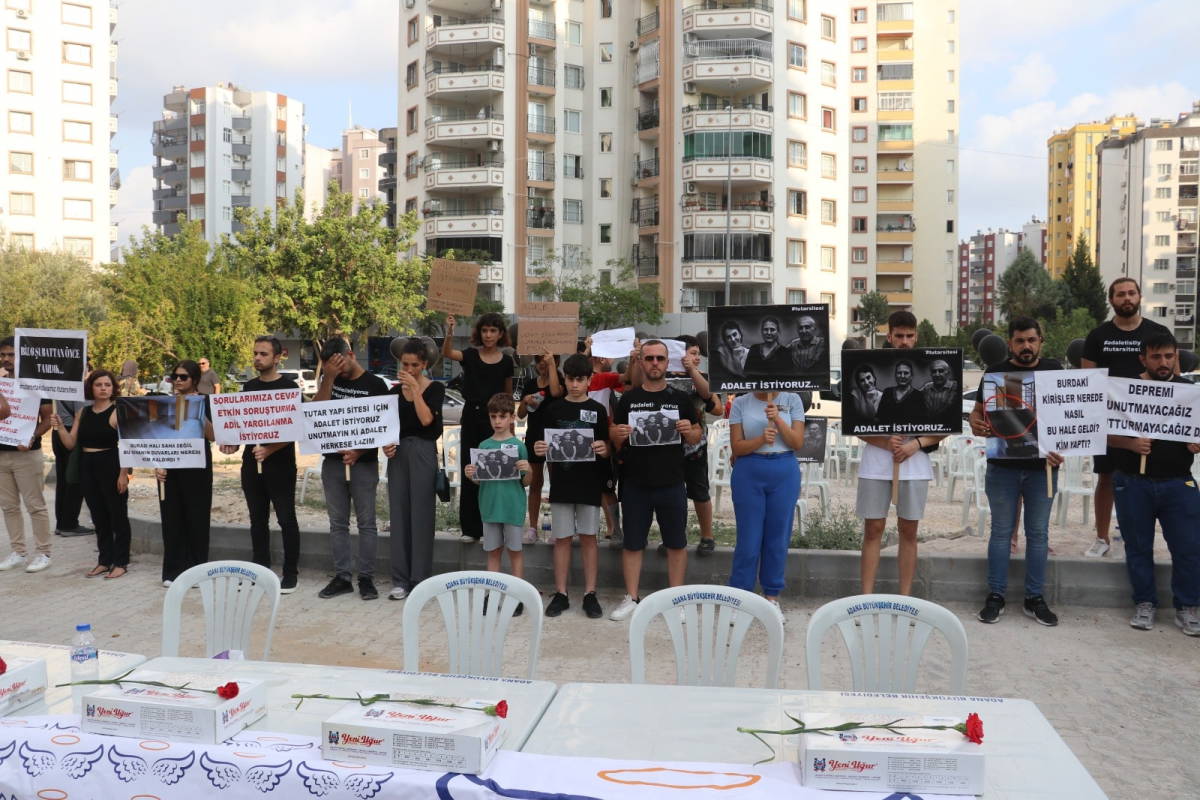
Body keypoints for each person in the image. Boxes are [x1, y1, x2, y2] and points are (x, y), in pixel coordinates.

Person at [969, 318, 1063, 627]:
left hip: (1042, 469)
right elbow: (979, 411)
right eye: (1020, 340)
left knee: (1038, 534)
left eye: (1032, 340)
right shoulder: (995, 373)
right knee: (1000, 532)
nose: (1026, 346)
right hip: (1003, 467)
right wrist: (975, 423)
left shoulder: (1054, 371)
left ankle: (1034, 598)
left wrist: (1064, 446)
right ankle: (995, 595)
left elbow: (1069, 416)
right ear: (1010, 343)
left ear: (1041, 342)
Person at [1107, 333, 1200, 636]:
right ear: (1143, 359)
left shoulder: (1190, 393)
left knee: (1188, 548)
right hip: (1133, 483)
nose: (1163, 362)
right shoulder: (1125, 390)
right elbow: (1105, 434)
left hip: (1178, 483)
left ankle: (1188, 607)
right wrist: (1131, 444)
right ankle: (1144, 603)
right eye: (1156, 356)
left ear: (1176, 358)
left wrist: (1196, 443)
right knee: (1138, 548)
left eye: (1169, 356)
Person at [609, 340, 702, 621]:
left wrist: (689, 431)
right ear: (641, 361)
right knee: (632, 543)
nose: (654, 363)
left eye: (660, 358)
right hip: (635, 483)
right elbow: (613, 435)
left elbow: (697, 434)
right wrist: (617, 435)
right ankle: (631, 597)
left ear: (667, 362)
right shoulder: (628, 399)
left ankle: (677, 599)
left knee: (676, 543)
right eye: (649, 358)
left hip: (672, 481)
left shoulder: (680, 398)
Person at [1081, 277, 1171, 558]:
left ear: (1140, 296)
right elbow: (1087, 380)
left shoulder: (1158, 331)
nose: (1127, 298)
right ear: (1111, 300)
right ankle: (1102, 536)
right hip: (1110, 420)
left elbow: (1173, 378)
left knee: (1147, 478)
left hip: (1149, 420)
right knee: (1106, 477)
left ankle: (1137, 537)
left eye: (1131, 293)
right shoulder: (1098, 336)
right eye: (1120, 294)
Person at [855, 312, 943, 595]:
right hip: (876, 464)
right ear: (889, 336)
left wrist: (914, 444)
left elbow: (943, 428)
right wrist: (884, 442)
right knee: (873, 529)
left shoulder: (923, 391)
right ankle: (866, 597)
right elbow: (857, 425)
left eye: (909, 336)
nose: (904, 341)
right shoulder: (883, 393)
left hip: (914, 465)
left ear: (916, 337)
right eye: (899, 335)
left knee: (908, 530)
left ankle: (905, 598)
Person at [217, 336, 302, 594]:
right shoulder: (249, 387)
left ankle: (290, 573)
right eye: (255, 353)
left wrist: (271, 448)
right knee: (257, 520)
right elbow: (244, 426)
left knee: (286, 518)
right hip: (251, 463)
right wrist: (231, 444)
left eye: (263, 354)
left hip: (281, 464)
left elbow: (295, 428)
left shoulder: (289, 387)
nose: (257, 358)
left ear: (277, 357)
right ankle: (259, 569)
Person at [532, 353, 610, 618]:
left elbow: (606, 445)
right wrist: (539, 448)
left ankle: (590, 593)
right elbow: (542, 444)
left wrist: (604, 448)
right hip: (562, 483)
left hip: (589, 483)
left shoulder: (598, 410)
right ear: (564, 379)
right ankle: (561, 593)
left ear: (589, 380)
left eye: (580, 379)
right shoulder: (553, 409)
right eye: (570, 379)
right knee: (562, 538)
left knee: (589, 537)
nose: (575, 384)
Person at [313, 338, 390, 600]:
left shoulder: (375, 385)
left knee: (367, 523)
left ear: (351, 355)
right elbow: (316, 413)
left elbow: (383, 426)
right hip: (333, 463)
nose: (338, 370)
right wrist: (328, 378)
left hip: (363, 463)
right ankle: (342, 577)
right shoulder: (330, 380)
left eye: (340, 364)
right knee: (338, 523)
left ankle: (366, 578)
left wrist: (359, 451)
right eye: (331, 366)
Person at [727, 389, 806, 617]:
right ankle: (740, 596)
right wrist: (761, 439)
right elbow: (737, 447)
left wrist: (778, 419)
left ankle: (771, 596)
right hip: (749, 470)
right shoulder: (741, 402)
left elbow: (797, 442)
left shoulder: (792, 399)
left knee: (777, 537)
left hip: (784, 470)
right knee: (748, 538)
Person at [50, 370, 132, 579]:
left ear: (113, 388)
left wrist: (123, 474)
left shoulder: (118, 411)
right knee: (98, 516)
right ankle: (104, 560)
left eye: (107, 384)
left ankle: (121, 562)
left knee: (117, 515)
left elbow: (127, 445)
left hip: (111, 463)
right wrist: (59, 427)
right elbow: (70, 443)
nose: (103, 388)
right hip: (87, 465)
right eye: (98, 385)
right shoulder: (83, 412)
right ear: (91, 388)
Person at [443, 313, 515, 543]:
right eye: (484, 330)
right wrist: (450, 331)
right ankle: (470, 529)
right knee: (470, 470)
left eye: (493, 331)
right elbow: (448, 353)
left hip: (496, 420)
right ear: (479, 333)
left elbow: (508, 395)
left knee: (495, 470)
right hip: (472, 417)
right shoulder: (470, 355)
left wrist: (510, 427)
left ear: (500, 334)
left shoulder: (507, 361)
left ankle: (493, 527)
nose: (488, 335)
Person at [382, 339, 444, 601]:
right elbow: (387, 426)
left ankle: (420, 579)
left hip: (423, 450)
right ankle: (400, 579)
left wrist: (416, 390)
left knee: (421, 515)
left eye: (414, 365)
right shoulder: (394, 392)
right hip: (398, 454)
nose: (409, 369)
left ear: (424, 364)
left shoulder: (435, 388)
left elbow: (427, 420)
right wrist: (386, 444)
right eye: (405, 364)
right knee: (398, 515)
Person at [464, 392, 531, 611]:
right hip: (490, 507)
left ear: (512, 417)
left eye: (502, 416)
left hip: (512, 508)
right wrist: (471, 475)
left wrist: (529, 470)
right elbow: (479, 480)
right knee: (493, 552)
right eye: (493, 416)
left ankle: (517, 596)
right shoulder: (483, 446)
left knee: (515, 552)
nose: (497, 421)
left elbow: (526, 481)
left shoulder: (518, 446)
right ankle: (491, 595)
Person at [156, 360, 216, 586]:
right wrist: (157, 464)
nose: (178, 381)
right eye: (175, 377)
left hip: (197, 466)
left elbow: (213, 436)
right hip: (169, 466)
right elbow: (156, 436)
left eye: (184, 377)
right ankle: (172, 571)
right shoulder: (165, 403)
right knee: (171, 518)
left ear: (195, 380)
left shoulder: (205, 402)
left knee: (197, 518)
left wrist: (198, 412)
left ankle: (197, 571)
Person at [662, 335, 719, 558]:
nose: (697, 358)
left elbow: (715, 406)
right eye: (692, 353)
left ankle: (707, 536)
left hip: (695, 447)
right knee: (671, 494)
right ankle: (674, 536)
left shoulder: (701, 377)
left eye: (697, 354)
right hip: (666, 446)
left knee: (699, 491)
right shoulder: (663, 376)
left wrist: (692, 371)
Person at [0, 336, 52, 573]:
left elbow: (47, 419)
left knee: (35, 506)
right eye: (3, 355)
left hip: (27, 454)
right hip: (2, 453)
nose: (6, 359)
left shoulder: (37, 385)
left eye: (11, 354)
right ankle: (18, 552)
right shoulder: (1, 384)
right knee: (8, 507)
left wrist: (32, 436)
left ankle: (43, 553)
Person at [518, 350, 563, 544]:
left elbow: (555, 392)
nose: (542, 363)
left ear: (556, 360)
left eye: (545, 360)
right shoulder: (530, 384)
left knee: (557, 484)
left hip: (556, 439)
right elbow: (520, 414)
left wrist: (552, 365)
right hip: (534, 437)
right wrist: (525, 401)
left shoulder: (561, 381)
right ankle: (533, 528)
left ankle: (558, 529)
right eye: (538, 360)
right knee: (535, 483)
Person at [583, 337, 625, 547]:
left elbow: (628, 380)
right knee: (591, 486)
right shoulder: (579, 377)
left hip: (602, 439)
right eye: (610, 355)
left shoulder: (607, 378)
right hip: (582, 438)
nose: (612, 360)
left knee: (606, 487)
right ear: (600, 357)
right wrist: (587, 350)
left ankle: (614, 528)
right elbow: (572, 368)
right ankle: (595, 529)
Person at [51, 395, 92, 538]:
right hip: (72, 432)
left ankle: (61, 524)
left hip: (58, 431)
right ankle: (69, 524)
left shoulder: (60, 385)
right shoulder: (78, 388)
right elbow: (81, 414)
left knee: (63, 481)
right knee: (75, 480)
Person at [877, 359, 924, 423]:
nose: (902, 376)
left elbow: (921, 422)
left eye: (906, 373)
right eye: (899, 373)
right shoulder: (887, 392)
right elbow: (879, 417)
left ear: (911, 376)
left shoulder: (918, 396)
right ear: (895, 375)